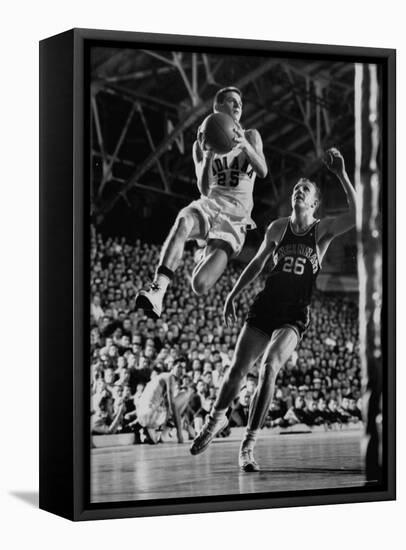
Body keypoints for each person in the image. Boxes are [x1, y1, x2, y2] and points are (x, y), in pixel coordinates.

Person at [190, 148, 357, 471]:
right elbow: (256, 264)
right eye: (296, 188)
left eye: (305, 190)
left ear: (314, 203)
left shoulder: (321, 231)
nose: (298, 190)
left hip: (295, 314)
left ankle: (248, 444)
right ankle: (214, 421)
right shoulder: (277, 228)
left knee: (269, 367)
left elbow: (358, 214)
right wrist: (233, 294)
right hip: (265, 305)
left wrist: (340, 174)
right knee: (237, 370)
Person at [135, 86, 268, 318]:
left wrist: (245, 146)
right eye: (231, 101)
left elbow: (263, 171)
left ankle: (202, 253)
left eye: (240, 102)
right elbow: (204, 188)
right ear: (217, 107)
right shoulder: (201, 142)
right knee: (184, 221)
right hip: (210, 204)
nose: (238, 105)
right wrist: (208, 158)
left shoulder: (251, 136)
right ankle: (158, 290)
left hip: (235, 217)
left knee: (201, 285)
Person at [135, 361, 190, 443]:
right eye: (179, 367)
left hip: (143, 414)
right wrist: (179, 433)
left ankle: (150, 430)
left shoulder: (160, 377)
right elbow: (172, 405)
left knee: (154, 440)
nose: (181, 370)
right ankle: (167, 424)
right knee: (186, 393)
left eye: (183, 368)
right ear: (172, 367)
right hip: (149, 414)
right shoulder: (169, 377)